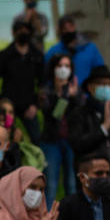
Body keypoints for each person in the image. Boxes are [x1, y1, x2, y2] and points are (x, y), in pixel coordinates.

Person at [65, 66, 110, 184]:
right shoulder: (79, 113)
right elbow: (78, 144)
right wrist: (104, 128)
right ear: (90, 87)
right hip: (91, 178)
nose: (106, 88)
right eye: (102, 84)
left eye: (109, 85)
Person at [36, 53, 80, 202]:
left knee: (72, 184)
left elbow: (81, 113)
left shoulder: (76, 92)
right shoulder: (45, 92)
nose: (63, 69)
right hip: (51, 142)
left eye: (67, 66)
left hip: (71, 142)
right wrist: (66, 95)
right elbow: (55, 115)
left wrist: (73, 95)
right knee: (51, 185)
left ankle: (72, 218)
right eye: (60, 66)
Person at [0, 20, 44, 126]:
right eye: (20, 31)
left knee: (36, 138)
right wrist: (0, 102)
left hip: (29, 106)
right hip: (8, 105)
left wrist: (36, 105)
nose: (24, 34)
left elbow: (42, 82)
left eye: (26, 31)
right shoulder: (5, 55)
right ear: (13, 33)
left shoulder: (37, 56)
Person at [44, 15, 106, 88]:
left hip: (85, 95)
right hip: (60, 94)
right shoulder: (53, 51)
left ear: (75, 27)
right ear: (60, 31)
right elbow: (46, 75)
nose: (68, 31)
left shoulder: (90, 48)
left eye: (71, 27)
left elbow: (100, 71)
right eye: (64, 28)